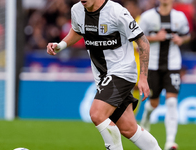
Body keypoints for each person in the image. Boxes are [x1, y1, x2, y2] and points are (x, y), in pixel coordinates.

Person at [47, 0, 162, 149]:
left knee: (97, 114)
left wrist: (144, 78)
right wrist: (60, 45)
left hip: (123, 72)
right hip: (103, 76)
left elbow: (143, 42)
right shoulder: (77, 10)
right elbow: (77, 30)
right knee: (128, 128)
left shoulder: (117, 12)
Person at [139, 0, 191, 149]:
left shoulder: (179, 17)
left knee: (172, 102)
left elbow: (187, 35)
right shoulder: (148, 17)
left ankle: (170, 142)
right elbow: (137, 38)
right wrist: (156, 37)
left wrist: (181, 39)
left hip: (173, 65)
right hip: (153, 65)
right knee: (153, 103)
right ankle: (146, 119)